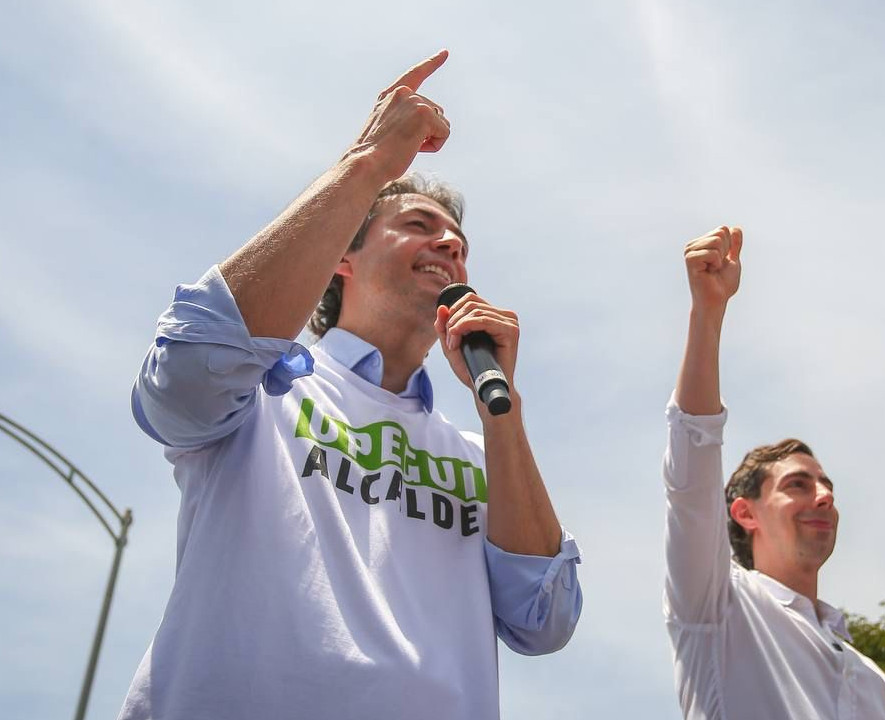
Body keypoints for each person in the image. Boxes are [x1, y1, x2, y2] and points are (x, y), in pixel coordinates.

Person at [118, 50, 582, 720]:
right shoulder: (264, 396)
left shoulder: (477, 456)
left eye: (459, 240)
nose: (451, 244)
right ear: (342, 255)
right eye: (420, 225)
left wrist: (501, 408)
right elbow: (183, 380)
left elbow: (544, 616)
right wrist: (367, 164)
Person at [663, 226, 885, 719]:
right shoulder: (718, 604)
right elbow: (691, 477)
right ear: (745, 512)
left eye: (827, 486)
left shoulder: (872, 681)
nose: (824, 497)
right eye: (798, 485)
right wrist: (708, 313)